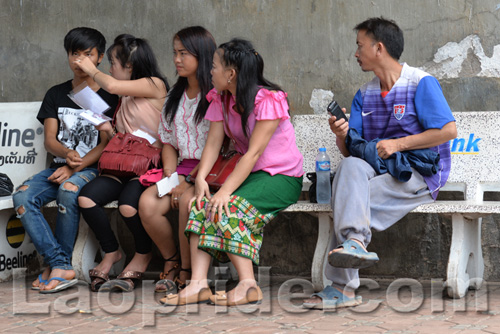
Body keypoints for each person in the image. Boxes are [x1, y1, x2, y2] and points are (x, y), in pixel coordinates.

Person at [303, 17, 457, 310]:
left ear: (379, 48)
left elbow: (448, 131)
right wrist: (341, 136)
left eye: (360, 46)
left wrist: (399, 144)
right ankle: (355, 244)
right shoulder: (364, 94)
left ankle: (341, 286)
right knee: (348, 172)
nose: (356, 53)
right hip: (381, 169)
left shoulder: (420, 83)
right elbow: (352, 155)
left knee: (348, 199)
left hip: (419, 172)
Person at [162, 38, 304, 306]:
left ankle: (248, 285)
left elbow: (253, 154)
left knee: (229, 206)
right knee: (199, 204)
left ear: (231, 74)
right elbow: (213, 143)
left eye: (214, 67)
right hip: (247, 175)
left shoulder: (269, 100)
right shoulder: (221, 98)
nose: (210, 71)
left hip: (281, 177)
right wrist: (201, 177)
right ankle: (198, 285)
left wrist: (225, 191)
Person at [12, 27, 119, 293]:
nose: (79, 60)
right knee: (22, 197)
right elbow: (50, 140)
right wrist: (66, 157)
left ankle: (57, 266)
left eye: (87, 54)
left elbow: (108, 143)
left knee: (68, 192)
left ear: (100, 58)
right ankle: (59, 262)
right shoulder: (57, 93)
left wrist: (77, 166)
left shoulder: (110, 96)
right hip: (61, 166)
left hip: (93, 168)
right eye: (74, 53)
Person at [75, 34, 169, 292]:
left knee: (128, 206)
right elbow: (122, 142)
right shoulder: (124, 99)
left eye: (114, 63)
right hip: (122, 165)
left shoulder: (155, 84)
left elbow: (113, 86)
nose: (110, 69)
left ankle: (143, 254)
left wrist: (90, 70)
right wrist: (107, 129)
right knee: (86, 198)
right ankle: (112, 252)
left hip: (150, 167)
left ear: (130, 65)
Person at [138, 26, 216, 294]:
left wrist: (188, 182)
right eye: (175, 53)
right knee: (147, 204)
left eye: (184, 53)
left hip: (211, 169)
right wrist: (171, 177)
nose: (177, 59)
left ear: (202, 55)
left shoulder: (215, 95)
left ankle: (188, 271)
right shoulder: (175, 96)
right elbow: (168, 141)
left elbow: (219, 146)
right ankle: (171, 260)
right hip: (182, 168)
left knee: (186, 202)